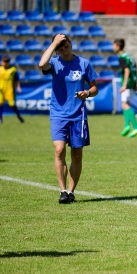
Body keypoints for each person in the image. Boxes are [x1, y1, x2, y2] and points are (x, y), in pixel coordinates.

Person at [38, 34, 98, 204]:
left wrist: (87, 93)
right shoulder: (55, 63)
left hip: (78, 115)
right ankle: (62, 190)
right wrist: (53, 44)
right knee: (59, 150)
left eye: (67, 46)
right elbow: (42, 64)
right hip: (58, 114)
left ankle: (71, 192)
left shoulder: (84, 63)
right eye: (61, 48)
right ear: (56, 50)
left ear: (72, 45)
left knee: (77, 155)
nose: (65, 50)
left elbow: (95, 88)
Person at [113, 38, 137, 138]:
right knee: (126, 103)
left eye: (114, 45)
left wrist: (124, 85)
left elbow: (127, 70)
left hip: (128, 84)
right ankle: (126, 126)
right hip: (133, 83)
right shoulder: (129, 56)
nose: (113, 47)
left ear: (117, 46)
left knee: (125, 105)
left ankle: (136, 127)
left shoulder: (122, 57)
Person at [0, 55, 25, 124]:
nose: (2, 63)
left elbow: (17, 79)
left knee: (12, 105)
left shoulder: (13, 70)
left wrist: (18, 87)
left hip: (9, 90)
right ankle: (0, 119)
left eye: (3, 62)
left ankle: (19, 116)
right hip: (0, 90)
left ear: (7, 63)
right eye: (2, 62)